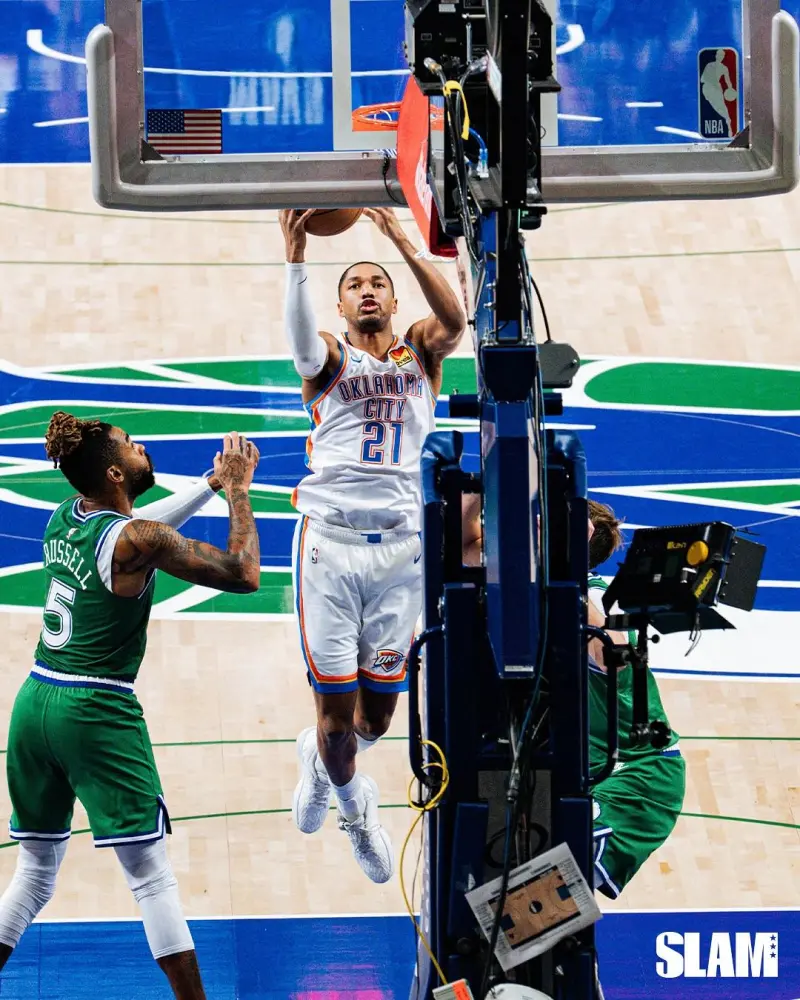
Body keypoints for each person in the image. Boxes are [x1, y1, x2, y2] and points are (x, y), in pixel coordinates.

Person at [0, 412, 261, 999]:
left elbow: (137, 534)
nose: (142, 445)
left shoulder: (67, 515)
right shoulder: (137, 540)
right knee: (150, 878)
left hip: (35, 703)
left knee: (35, 874)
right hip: (95, 709)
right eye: (130, 445)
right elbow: (244, 574)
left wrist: (209, 485)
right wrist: (239, 492)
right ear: (117, 472)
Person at [279, 206, 465, 883]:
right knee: (336, 725)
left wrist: (400, 239)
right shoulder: (330, 355)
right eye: (354, 283)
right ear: (339, 302)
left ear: (391, 298)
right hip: (329, 548)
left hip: (400, 554)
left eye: (376, 284)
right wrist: (296, 256)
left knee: (377, 721)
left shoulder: (418, 350)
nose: (366, 291)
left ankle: (323, 763)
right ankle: (355, 805)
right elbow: (302, 346)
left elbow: (456, 323)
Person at [462, 496, 685, 898]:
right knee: (498, 887)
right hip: (569, 766)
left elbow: (613, 654)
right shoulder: (531, 581)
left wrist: (567, 569)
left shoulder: (595, 599)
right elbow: (465, 547)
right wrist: (481, 484)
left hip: (638, 776)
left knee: (533, 906)